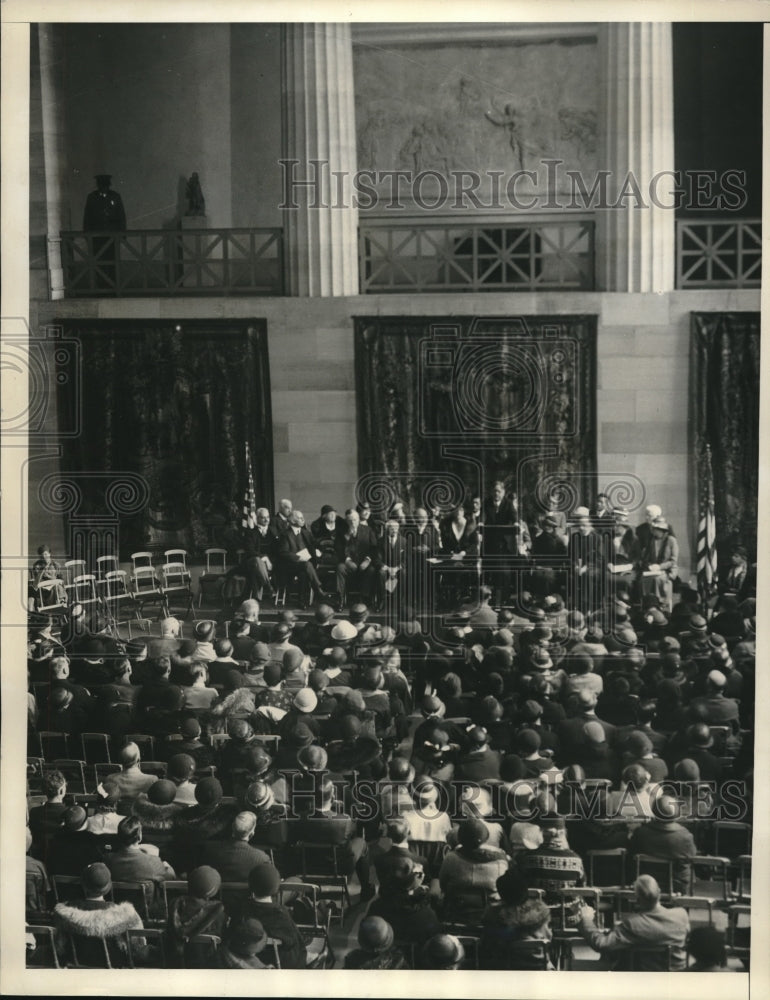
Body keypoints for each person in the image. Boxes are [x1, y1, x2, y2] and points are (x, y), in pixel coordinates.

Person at [578, 874, 689, 970]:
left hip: (640, 981)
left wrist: (586, 919)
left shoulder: (632, 924)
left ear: (637, 899)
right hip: (673, 978)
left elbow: (601, 944)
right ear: (659, 892)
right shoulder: (681, 915)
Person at [53, 862, 143, 968]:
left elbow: (58, 947)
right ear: (108, 887)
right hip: (114, 969)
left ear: (83, 885)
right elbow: (137, 947)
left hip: (75, 969)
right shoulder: (127, 914)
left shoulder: (64, 912)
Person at [231, 863, 307, 970]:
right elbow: (293, 942)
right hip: (279, 963)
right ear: (276, 888)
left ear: (250, 885)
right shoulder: (281, 913)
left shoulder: (242, 909)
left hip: (248, 962)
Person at [165, 865, 227, 968]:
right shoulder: (219, 913)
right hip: (207, 963)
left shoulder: (174, 904)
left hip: (177, 963)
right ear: (213, 892)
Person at [337, 507, 378, 604]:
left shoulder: (368, 530)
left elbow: (374, 548)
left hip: (364, 562)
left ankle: (363, 598)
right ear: (346, 520)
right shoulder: (342, 532)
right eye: (350, 520)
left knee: (371, 570)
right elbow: (338, 550)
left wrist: (367, 560)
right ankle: (340, 598)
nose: (352, 523)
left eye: (355, 520)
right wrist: (347, 560)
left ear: (359, 519)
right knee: (340, 567)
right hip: (349, 563)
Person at [638, 516, 679, 613]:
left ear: (662, 530)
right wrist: (649, 565)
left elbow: (673, 561)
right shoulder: (651, 540)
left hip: (667, 570)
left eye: (655, 529)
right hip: (652, 570)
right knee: (644, 579)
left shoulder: (671, 540)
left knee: (658, 579)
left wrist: (659, 567)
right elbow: (645, 557)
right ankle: (647, 604)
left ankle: (661, 604)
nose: (653, 532)